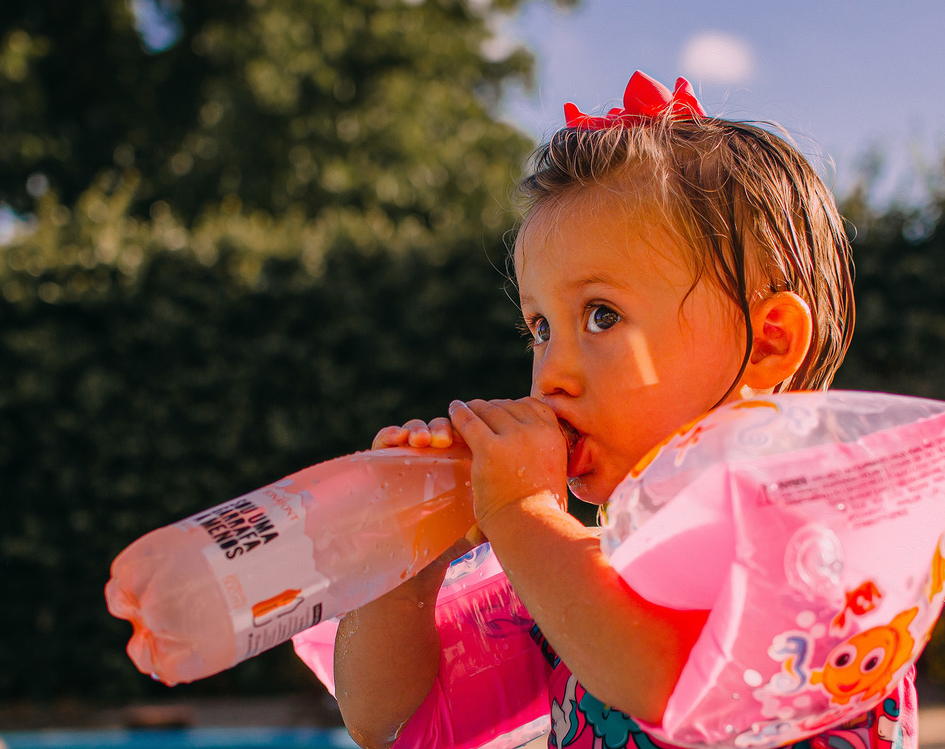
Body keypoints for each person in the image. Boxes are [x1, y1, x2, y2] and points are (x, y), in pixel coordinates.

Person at [332, 72, 910, 749]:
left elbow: (663, 679)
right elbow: (384, 721)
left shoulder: (811, 546)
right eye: (540, 328)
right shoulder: (578, 564)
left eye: (602, 315)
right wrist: (409, 565)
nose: (551, 375)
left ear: (768, 344)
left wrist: (520, 511)